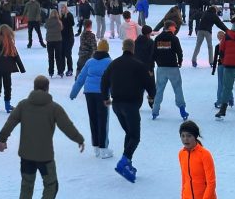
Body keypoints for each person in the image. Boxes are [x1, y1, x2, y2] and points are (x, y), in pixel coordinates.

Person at [0, 75, 85, 199]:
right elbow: (67, 126)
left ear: (34, 88)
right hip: (45, 156)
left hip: (26, 154)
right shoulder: (54, 107)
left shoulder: (23, 105)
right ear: (47, 88)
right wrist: (79, 139)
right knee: (51, 185)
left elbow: (10, 122)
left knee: (27, 185)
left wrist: (3, 138)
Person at [101, 39, 156, 182]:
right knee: (135, 136)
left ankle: (128, 163)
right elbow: (150, 83)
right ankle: (123, 162)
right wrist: (151, 96)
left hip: (117, 105)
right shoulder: (139, 65)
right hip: (131, 105)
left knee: (129, 133)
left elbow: (104, 80)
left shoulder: (114, 64)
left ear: (122, 48)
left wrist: (105, 97)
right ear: (133, 49)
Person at [70, 39, 113, 159]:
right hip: (103, 94)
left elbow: (80, 78)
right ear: (107, 49)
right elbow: (113, 80)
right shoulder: (109, 62)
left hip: (89, 93)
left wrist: (73, 93)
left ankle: (96, 147)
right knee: (103, 120)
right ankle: (104, 148)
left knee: (93, 119)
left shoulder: (90, 61)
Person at [152, 21, 187, 120]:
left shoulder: (158, 38)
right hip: (172, 68)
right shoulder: (174, 38)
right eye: (174, 27)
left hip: (161, 68)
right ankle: (182, 111)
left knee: (159, 90)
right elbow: (179, 52)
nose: (175, 29)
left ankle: (155, 111)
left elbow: (154, 53)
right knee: (177, 89)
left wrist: (156, 63)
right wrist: (180, 62)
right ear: (170, 27)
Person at [178, 121, 217, 199]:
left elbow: (211, 183)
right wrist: (183, 196)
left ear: (195, 136)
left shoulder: (205, 154)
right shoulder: (181, 154)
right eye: (183, 136)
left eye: (189, 136)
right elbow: (184, 179)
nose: (185, 139)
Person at [211, 31, 234, 108]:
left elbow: (215, 59)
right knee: (228, 83)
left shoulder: (218, 46)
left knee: (221, 83)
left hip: (221, 66)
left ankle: (219, 101)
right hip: (229, 66)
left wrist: (213, 69)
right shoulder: (229, 45)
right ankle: (230, 99)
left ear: (218, 38)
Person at [44, 10, 64, 78]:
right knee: (58, 57)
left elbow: (45, 26)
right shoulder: (59, 22)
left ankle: (51, 72)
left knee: (51, 57)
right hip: (58, 40)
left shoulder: (48, 21)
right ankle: (60, 71)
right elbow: (61, 29)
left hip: (49, 41)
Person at [60, 4, 75, 76]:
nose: (62, 9)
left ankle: (70, 69)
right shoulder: (60, 16)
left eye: (63, 8)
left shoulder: (69, 15)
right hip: (61, 38)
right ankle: (62, 69)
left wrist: (65, 24)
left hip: (69, 37)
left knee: (68, 54)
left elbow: (72, 23)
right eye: (61, 8)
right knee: (62, 54)